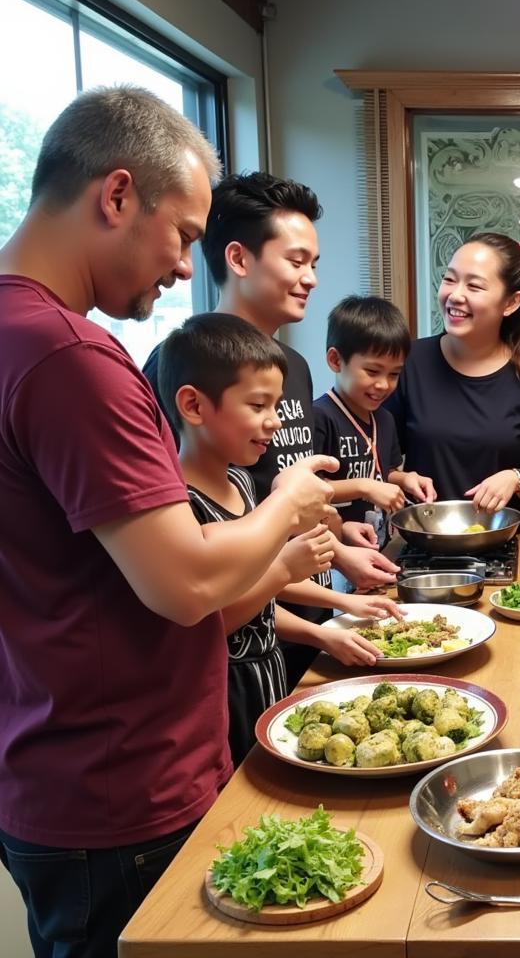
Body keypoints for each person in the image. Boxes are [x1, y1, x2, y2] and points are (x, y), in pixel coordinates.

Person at [0, 87, 335, 958]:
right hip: (119, 789)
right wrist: (289, 502)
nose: (187, 269)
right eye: (183, 236)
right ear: (116, 197)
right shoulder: (73, 358)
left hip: (55, 763)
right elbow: (184, 581)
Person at [142, 172, 400, 686]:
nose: (311, 279)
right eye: (296, 261)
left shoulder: (296, 367)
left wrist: (341, 544)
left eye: (314, 264)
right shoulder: (175, 371)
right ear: (239, 259)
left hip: (296, 625)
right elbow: (185, 544)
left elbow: (286, 497)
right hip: (228, 644)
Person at [159, 313, 384, 766]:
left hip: (269, 670)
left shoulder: (242, 484)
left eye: (276, 406)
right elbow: (214, 619)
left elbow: (255, 589)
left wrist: (337, 611)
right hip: (224, 690)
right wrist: (285, 566)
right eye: (258, 406)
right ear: (194, 406)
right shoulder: (180, 507)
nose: (275, 422)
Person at [384, 232, 520, 533]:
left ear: (511, 302)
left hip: (510, 544)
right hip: (426, 543)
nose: (455, 295)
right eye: (450, 279)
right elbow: (377, 459)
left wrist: (516, 478)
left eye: (474, 286)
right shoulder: (409, 361)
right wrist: (402, 479)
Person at [314, 295, 436, 537]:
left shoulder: (384, 418)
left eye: (393, 374)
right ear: (336, 360)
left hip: (378, 542)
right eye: (372, 371)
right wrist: (365, 487)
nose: (383, 385)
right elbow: (310, 489)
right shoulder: (320, 416)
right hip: (336, 550)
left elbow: (385, 471)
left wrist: (406, 478)